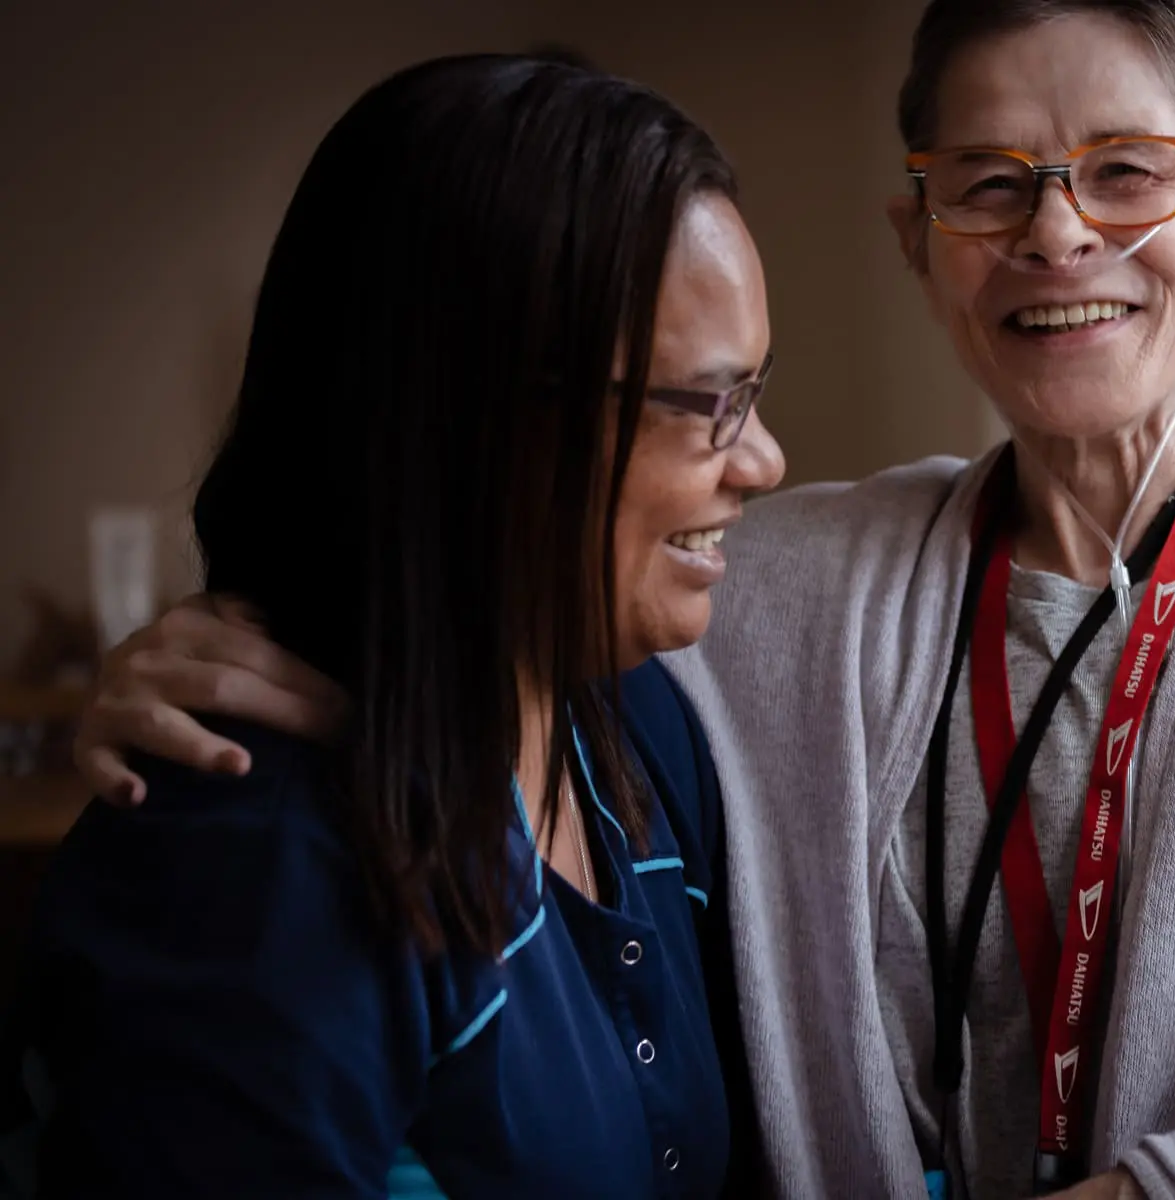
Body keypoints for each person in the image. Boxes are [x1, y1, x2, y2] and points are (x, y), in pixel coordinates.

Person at [65, 2, 1175, 1197]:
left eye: (1128, 172)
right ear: (920, 243)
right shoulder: (776, 583)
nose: (1058, 231)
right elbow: (490, 571)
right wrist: (233, 638)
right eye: (988, 186)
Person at [3, 54, 784, 1196]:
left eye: (753, 395)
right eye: (709, 406)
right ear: (481, 421)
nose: (763, 463)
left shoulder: (642, 732)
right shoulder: (249, 868)